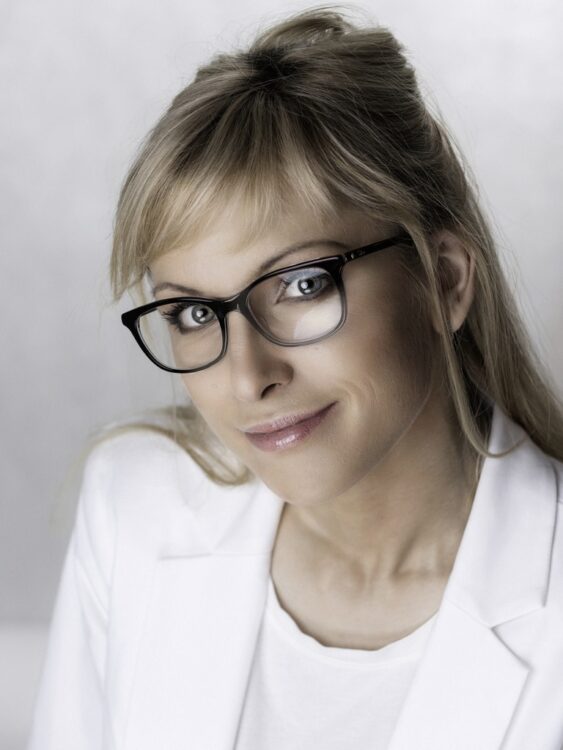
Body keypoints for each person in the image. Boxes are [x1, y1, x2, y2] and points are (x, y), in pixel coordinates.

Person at [28, 7, 563, 750]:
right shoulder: (135, 506)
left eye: (302, 284)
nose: (247, 377)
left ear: (443, 280)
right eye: (192, 313)